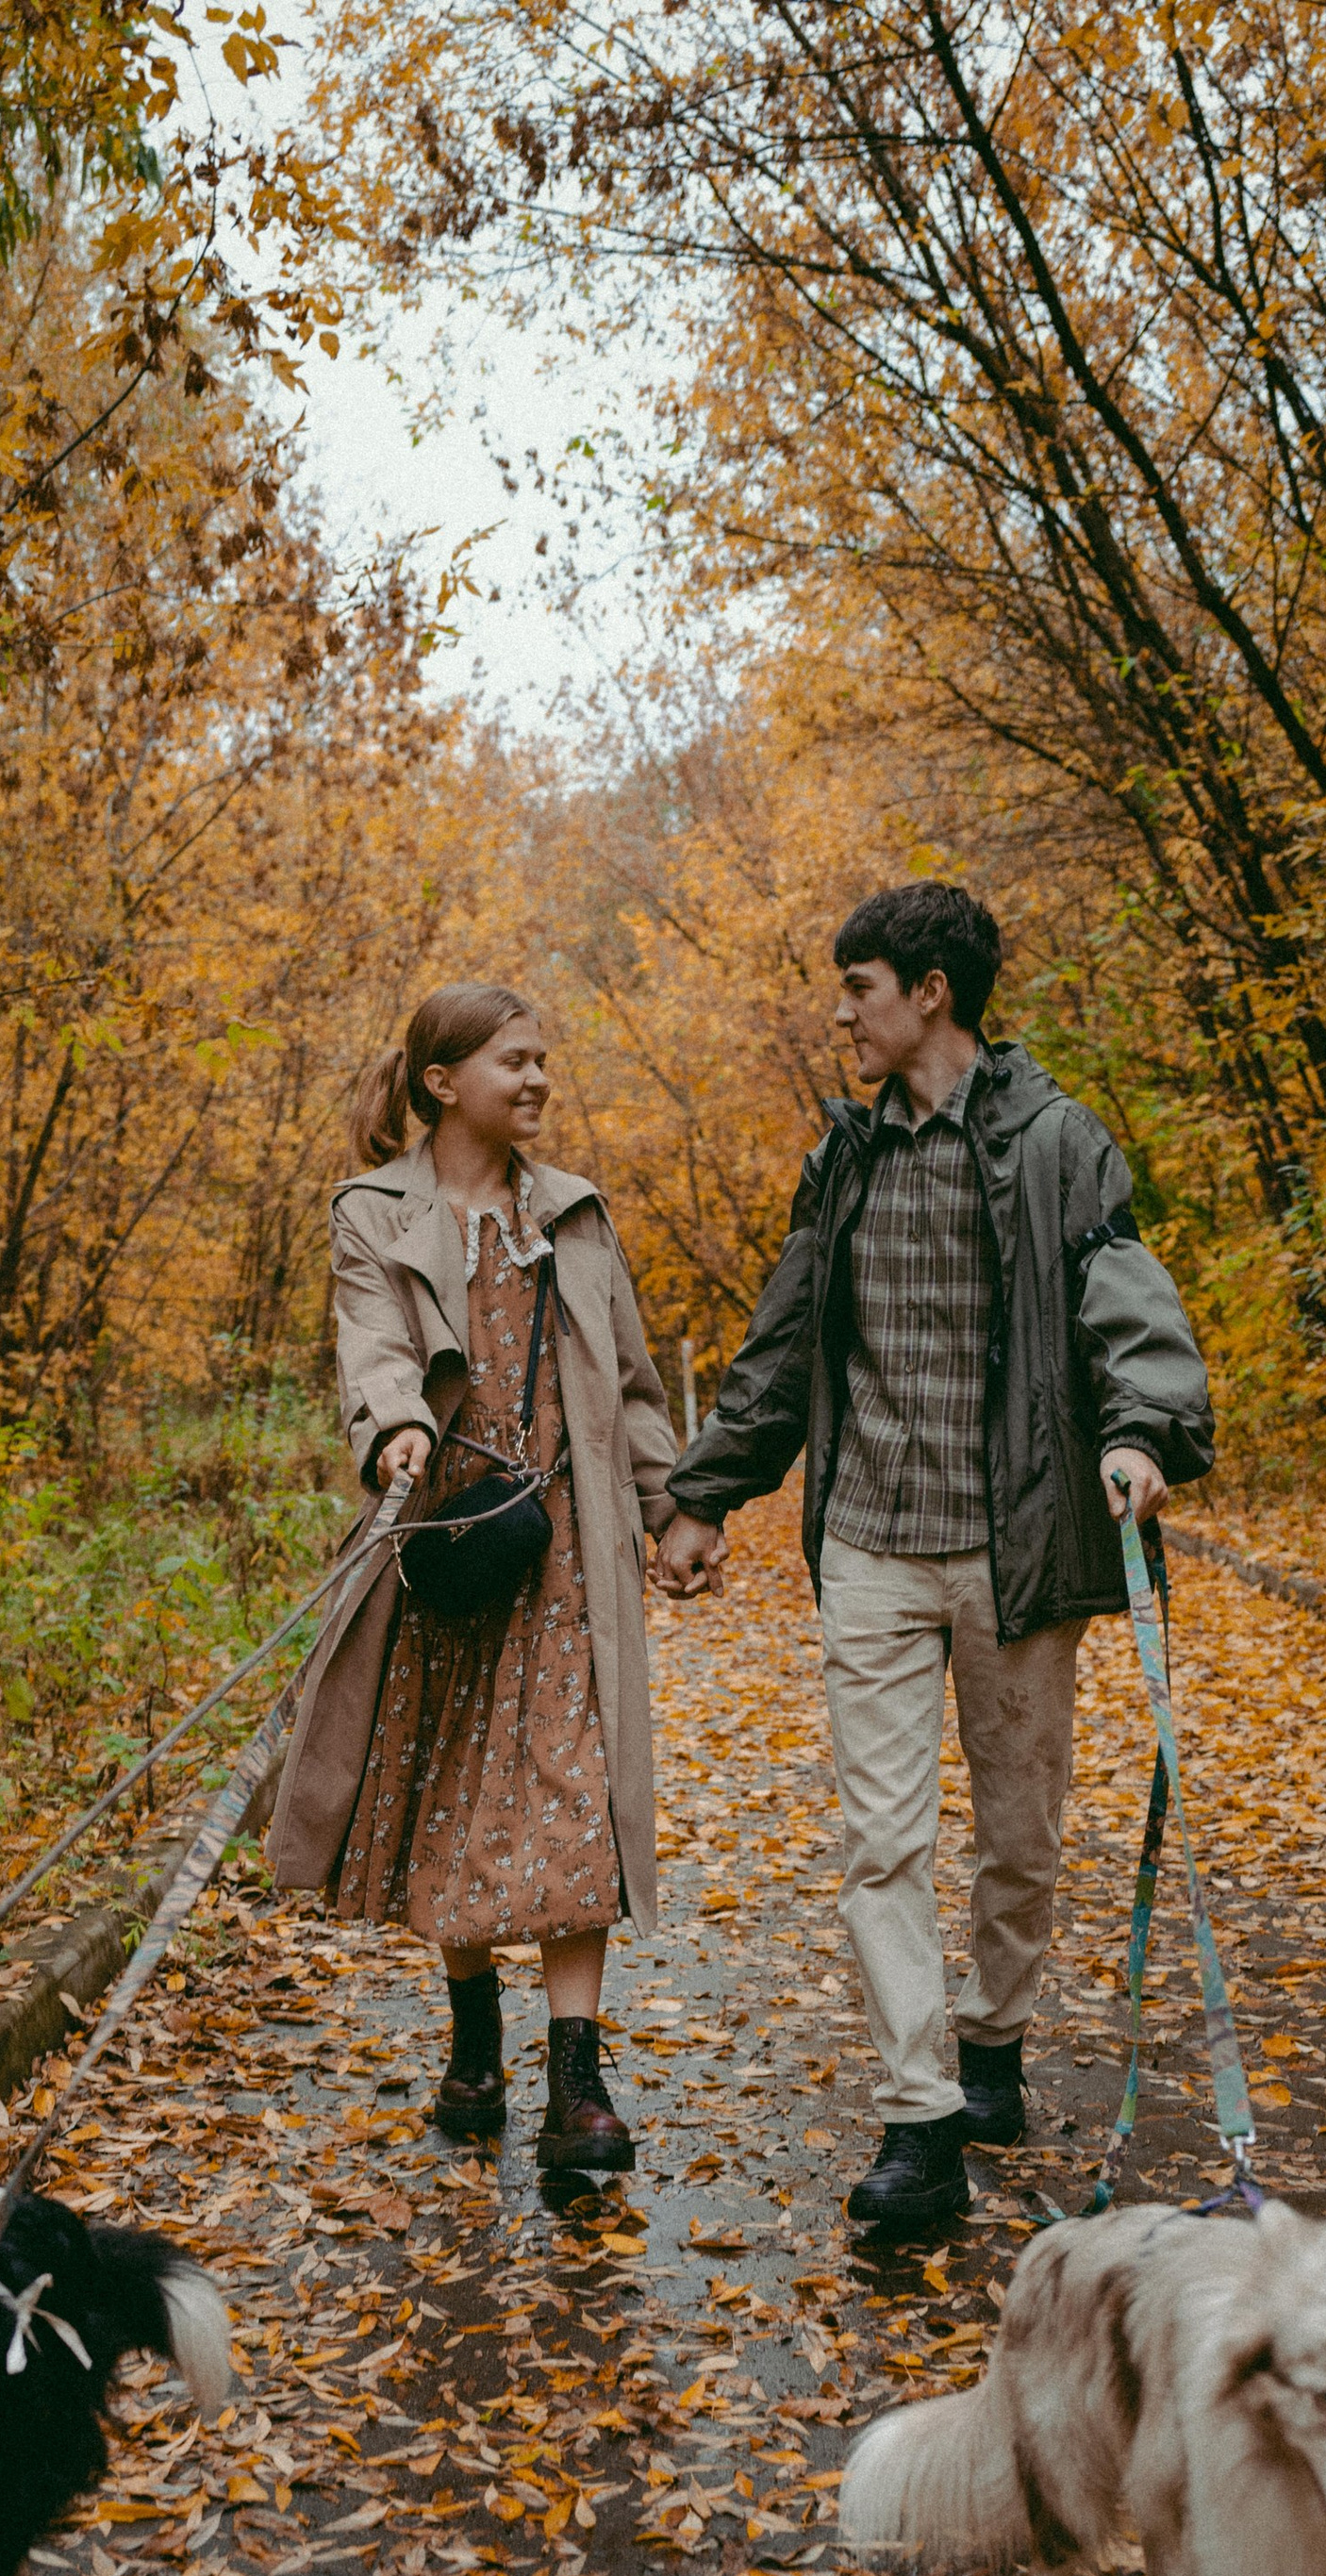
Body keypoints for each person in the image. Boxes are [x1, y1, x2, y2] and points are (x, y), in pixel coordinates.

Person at [655, 885, 1213, 2235]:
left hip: (1016, 1551)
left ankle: (993, 2039)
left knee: (1019, 1837)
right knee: (881, 1844)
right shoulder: (841, 1159)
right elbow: (786, 1342)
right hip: (871, 1553)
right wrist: (704, 1494)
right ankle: (919, 2115)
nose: (841, 1011)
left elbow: (1121, 1292)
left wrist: (1142, 1432)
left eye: (859, 987)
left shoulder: (1054, 1142)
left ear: (931, 997)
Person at [270, 981, 682, 2169]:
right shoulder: (373, 1213)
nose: (540, 1079)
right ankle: (470, 2037)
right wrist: (394, 1429)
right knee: (448, 1793)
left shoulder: (576, 1215)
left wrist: (670, 1510)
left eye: (545, 1058)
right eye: (516, 1061)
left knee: (572, 1800)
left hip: (567, 1559)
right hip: (449, 1547)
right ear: (444, 1083)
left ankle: (577, 2080)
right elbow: (374, 1345)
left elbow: (634, 1383)